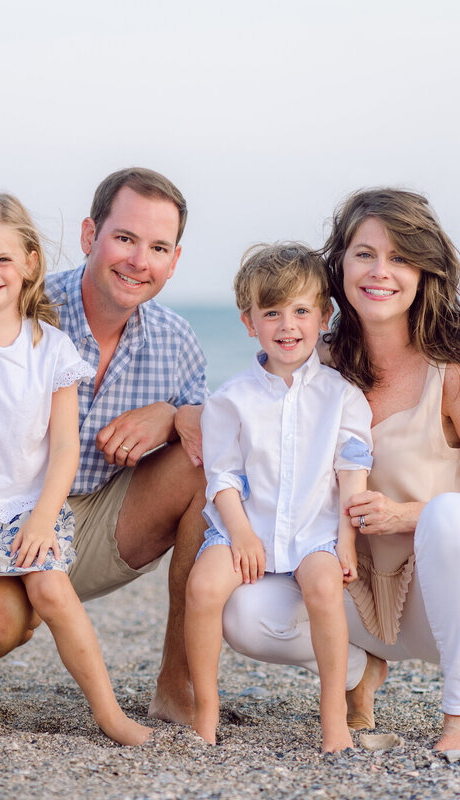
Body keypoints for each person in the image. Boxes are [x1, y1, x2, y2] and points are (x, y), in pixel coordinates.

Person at [0, 168, 208, 725]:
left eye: (158, 247)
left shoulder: (177, 340)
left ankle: (176, 682)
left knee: (205, 466)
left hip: (98, 517)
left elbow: (217, 427)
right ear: (89, 236)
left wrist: (176, 416)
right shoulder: (15, 303)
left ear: (174, 260)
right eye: (124, 239)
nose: (138, 260)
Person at [220, 189, 460, 755]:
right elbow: (245, 410)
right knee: (244, 614)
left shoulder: (456, 374)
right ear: (339, 266)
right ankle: (359, 669)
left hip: (454, 597)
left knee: (449, 514)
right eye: (364, 254)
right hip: (351, 586)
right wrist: (186, 417)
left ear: (424, 272)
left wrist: (406, 514)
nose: (380, 272)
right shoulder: (316, 361)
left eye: (400, 257)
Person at [184, 244, 372, 752]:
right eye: (272, 313)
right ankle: (205, 709)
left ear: (324, 316)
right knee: (202, 589)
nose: (287, 326)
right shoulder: (230, 399)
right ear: (250, 322)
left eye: (301, 311)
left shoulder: (342, 397)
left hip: (315, 528)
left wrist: (345, 541)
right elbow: (222, 478)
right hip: (246, 524)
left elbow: (353, 470)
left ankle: (334, 716)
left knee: (324, 587)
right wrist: (241, 533)